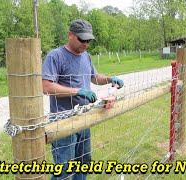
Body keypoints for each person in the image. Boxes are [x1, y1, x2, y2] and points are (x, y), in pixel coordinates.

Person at [42, 19, 124, 180]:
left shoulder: (86, 56)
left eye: (88, 41)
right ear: (70, 35)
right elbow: (46, 87)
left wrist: (110, 79)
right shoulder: (55, 56)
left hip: (84, 118)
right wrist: (77, 91)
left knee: (83, 162)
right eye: (82, 40)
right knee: (64, 168)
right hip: (63, 122)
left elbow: (94, 78)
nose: (86, 44)